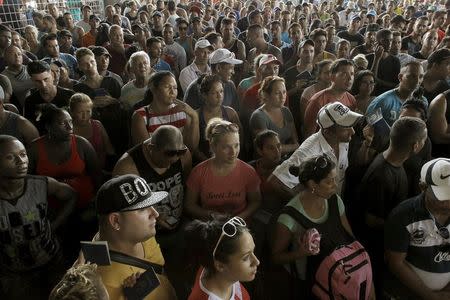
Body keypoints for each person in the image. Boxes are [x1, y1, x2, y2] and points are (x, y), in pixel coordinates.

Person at [271, 154, 374, 298]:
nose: (335, 184)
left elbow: (349, 239)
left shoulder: (334, 200)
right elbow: (276, 257)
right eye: (329, 181)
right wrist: (301, 253)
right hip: (311, 282)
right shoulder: (289, 217)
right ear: (313, 184)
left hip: (339, 276)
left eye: (335, 178)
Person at [0, 135, 76, 299]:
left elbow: (71, 195)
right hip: (14, 273)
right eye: (10, 157)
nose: (21, 161)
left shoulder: (41, 184)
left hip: (51, 262)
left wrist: (55, 225)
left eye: (23, 154)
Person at [360, 117, 428, 295]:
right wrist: (404, 228)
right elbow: (371, 219)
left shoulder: (394, 160)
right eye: (423, 140)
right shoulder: (382, 176)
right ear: (415, 146)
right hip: (377, 247)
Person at [88, 174, 177, 299]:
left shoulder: (142, 234)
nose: (155, 214)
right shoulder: (100, 286)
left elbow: (160, 269)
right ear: (115, 221)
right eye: (142, 209)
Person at [385, 158, 450, 300]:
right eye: (442, 196)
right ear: (423, 187)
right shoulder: (402, 215)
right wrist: (431, 297)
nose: (448, 202)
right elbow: (396, 263)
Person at [269, 102, 362, 200]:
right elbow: (275, 182)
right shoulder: (308, 151)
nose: (352, 131)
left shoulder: (343, 139)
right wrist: (304, 208)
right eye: (346, 128)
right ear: (328, 133)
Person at [185, 119, 261, 220]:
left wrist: (238, 219)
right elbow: (189, 205)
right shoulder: (198, 172)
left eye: (236, 145)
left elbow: (255, 201)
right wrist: (211, 215)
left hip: (240, 228)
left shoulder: (248, 171)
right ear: (213, 146)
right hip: (210, 226)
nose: (233, 152)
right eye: (226, 147)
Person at [185, 216, 259, 300]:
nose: (257, 261)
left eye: (253, 251)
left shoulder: (211, 262)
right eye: (246, 258)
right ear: (220, 266)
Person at [131, 71, 199, 151]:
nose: (172, 92)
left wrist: (194, 116)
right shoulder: (140, 117)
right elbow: (146, 151)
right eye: (167, 87)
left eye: (175, 88)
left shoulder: (183, 112)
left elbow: (191, 148)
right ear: (153, 89)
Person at [304, 59, 356, 137]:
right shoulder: (317, 101)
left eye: (352, 74)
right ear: (332, 77)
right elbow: (309, 135)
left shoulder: (351, 100)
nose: (350, 78)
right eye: (344, 74)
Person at [195, 74, 241, 162]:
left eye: (221, 91)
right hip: (204, 161)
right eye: (214, 93)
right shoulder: (196, 116)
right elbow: (194, 148)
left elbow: (239, 139)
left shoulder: (231, 113)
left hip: (230, 159)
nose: (219, 96)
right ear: (204, 95)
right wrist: (209, 162)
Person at [249, 76, 298, 156]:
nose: (282, 97)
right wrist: (294, 147)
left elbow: (295, 140)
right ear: (266, 95)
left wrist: (293, 147)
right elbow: (270, 150)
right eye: (277, 93)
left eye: (284, 92)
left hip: (288, 157)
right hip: (269, 162)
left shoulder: (286, 111)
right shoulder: (258, 116)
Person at [367, 61, 425, 126]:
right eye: (412, 76)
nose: (417, 81)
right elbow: (367, 129)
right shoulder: (383, 102)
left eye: (421, 76)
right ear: (400, 77)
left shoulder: (422, 102)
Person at [24, 60, 74, 134]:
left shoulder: (69, 96)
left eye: (46, 79)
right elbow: (30, 129)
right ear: (32, 80)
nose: (43, 85)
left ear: (52, 75)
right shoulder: (30, 101)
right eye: (38, 81)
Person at [69, 93, 115, 171]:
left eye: (88, 112)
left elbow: (110, 150)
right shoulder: (68, 129)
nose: (84, 116)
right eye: (80, 112)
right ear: (72, 112)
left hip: (102, 170)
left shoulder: (97, 125)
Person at [366, 28, 401, 95]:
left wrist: (378, 81)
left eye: (391, 40)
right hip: (372, 95)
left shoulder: (395, 61)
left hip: (388, 95)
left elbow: (396, 85)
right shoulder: (368, 58)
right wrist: (376, 59)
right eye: (385, 40)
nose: (389, 43)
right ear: (377, 41)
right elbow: (371, 82)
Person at [1, 45, 35, 110]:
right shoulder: (3, 77)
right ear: (5, 58)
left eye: (19, 54)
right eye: (12, 54)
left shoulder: (32, 69)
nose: (17, 56)